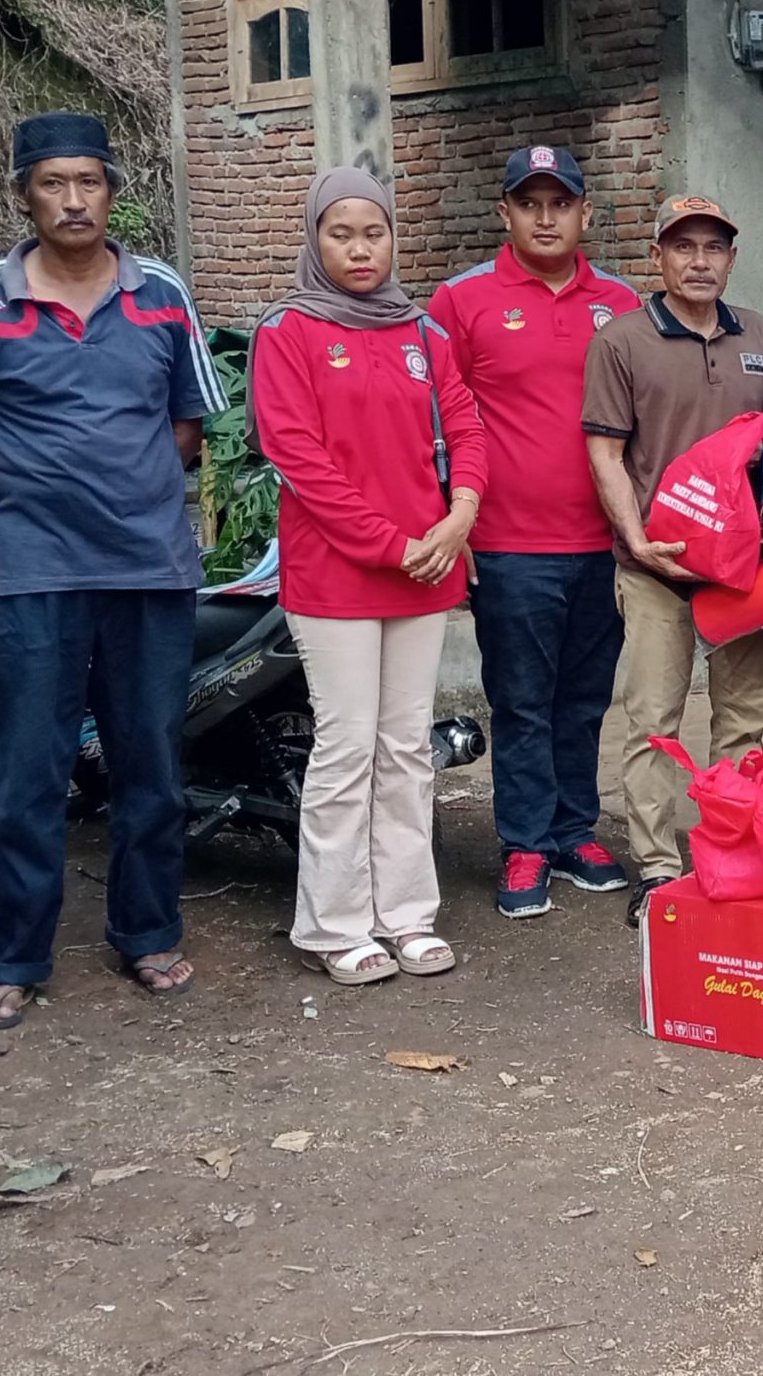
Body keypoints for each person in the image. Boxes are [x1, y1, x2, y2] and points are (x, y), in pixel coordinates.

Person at [0, 111, 224, 1029]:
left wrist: (127, 501)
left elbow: (186, 429)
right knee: (25, 770)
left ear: (111, 191)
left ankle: (147, 933)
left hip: (147, 570)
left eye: (87, 181)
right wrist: (20, 524)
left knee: (150, 762)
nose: (72, 199)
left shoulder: (163, 294)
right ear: (24, 195)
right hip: (29, 577)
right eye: (52, 183)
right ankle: (12, 957)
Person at [251, 166, 488, 983]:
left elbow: (465, 426)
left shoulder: (424, 334)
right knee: (347, 746)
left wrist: (460, 516)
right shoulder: (288, 331)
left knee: (407, 747)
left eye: (375, 232)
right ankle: (333, 923)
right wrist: (397, 544)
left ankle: (406, 915)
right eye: (341, 232)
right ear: (315, 238)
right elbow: (300, 461)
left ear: (394, 237)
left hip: (426, 568)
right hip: (339, 577)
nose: (360, 249)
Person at [433, 145, 645, 921]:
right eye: (531, 203)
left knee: (585, 698)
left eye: (561, 203)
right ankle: (524, 842)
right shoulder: (462, 301)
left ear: (586, 213)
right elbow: (437, 420)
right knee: (521, 700)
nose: (546, 217)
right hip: (510, 543)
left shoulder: (623, 304)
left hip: (604, 544)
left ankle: (572, 830)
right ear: (506, 212)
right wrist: (455, 524)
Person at [585, 196, 763, 920]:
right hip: (656, 570)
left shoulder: (761, 338)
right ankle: (658, 869)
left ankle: (729, 853)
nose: (700, 261)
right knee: (652, 723)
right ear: (659, 257)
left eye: (714, 248)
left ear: (732, 259)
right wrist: (637, 540)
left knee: (741, 724)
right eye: (684, 247)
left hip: (744, 572)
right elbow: (605, 453)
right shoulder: (622, 342)